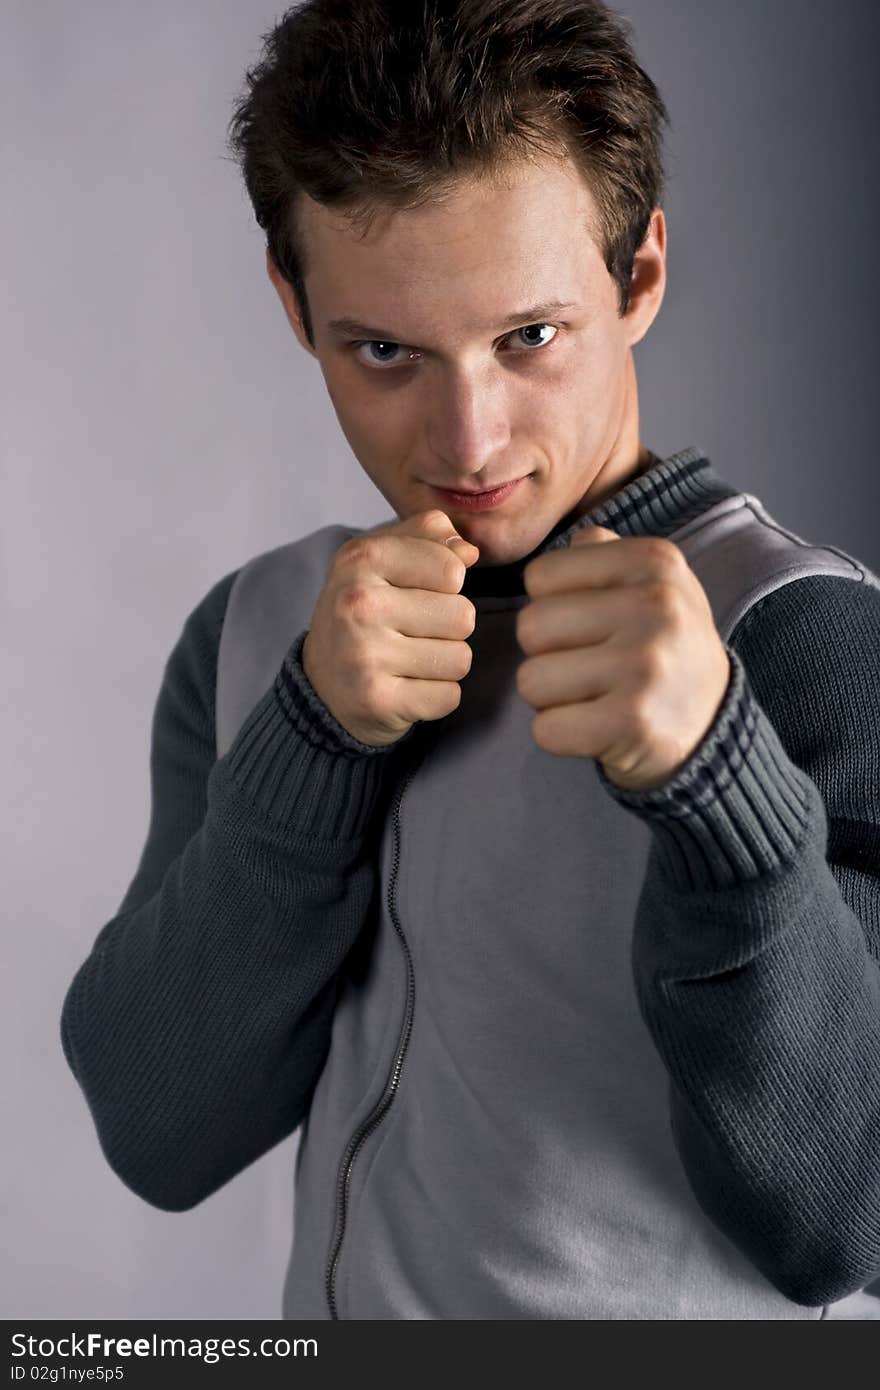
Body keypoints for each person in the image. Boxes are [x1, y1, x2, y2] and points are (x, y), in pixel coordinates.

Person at [60, 0, 880, 1319]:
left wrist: (726, 785)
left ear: (641, 276)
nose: (470, 437)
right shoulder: (260, 630)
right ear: (295, 306)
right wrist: (313, 739)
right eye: (383, 351)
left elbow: (847, 1221)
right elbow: (159, 1128)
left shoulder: (806, 635)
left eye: (529, 337)